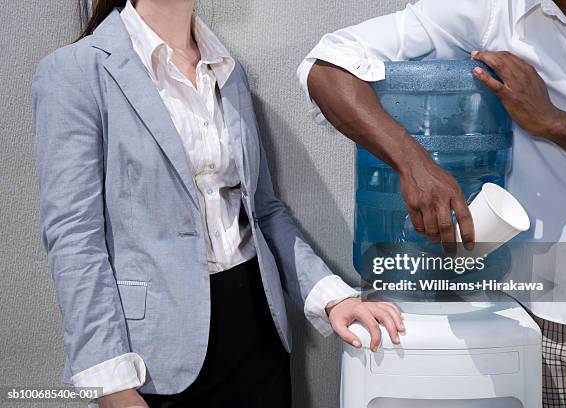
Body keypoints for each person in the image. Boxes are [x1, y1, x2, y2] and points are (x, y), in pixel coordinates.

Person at [32, 1, 405, 407]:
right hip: (155, 358)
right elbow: (75, 239)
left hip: (258, 333)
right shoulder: (75, 71)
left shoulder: (226, 69)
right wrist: (109, 380)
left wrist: (333, 296)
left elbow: (263, 211)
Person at [298, 0, 566, 405]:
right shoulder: (494, 11)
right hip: (539, 325)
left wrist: (552, 121)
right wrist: (414, 163)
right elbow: (326, 65)